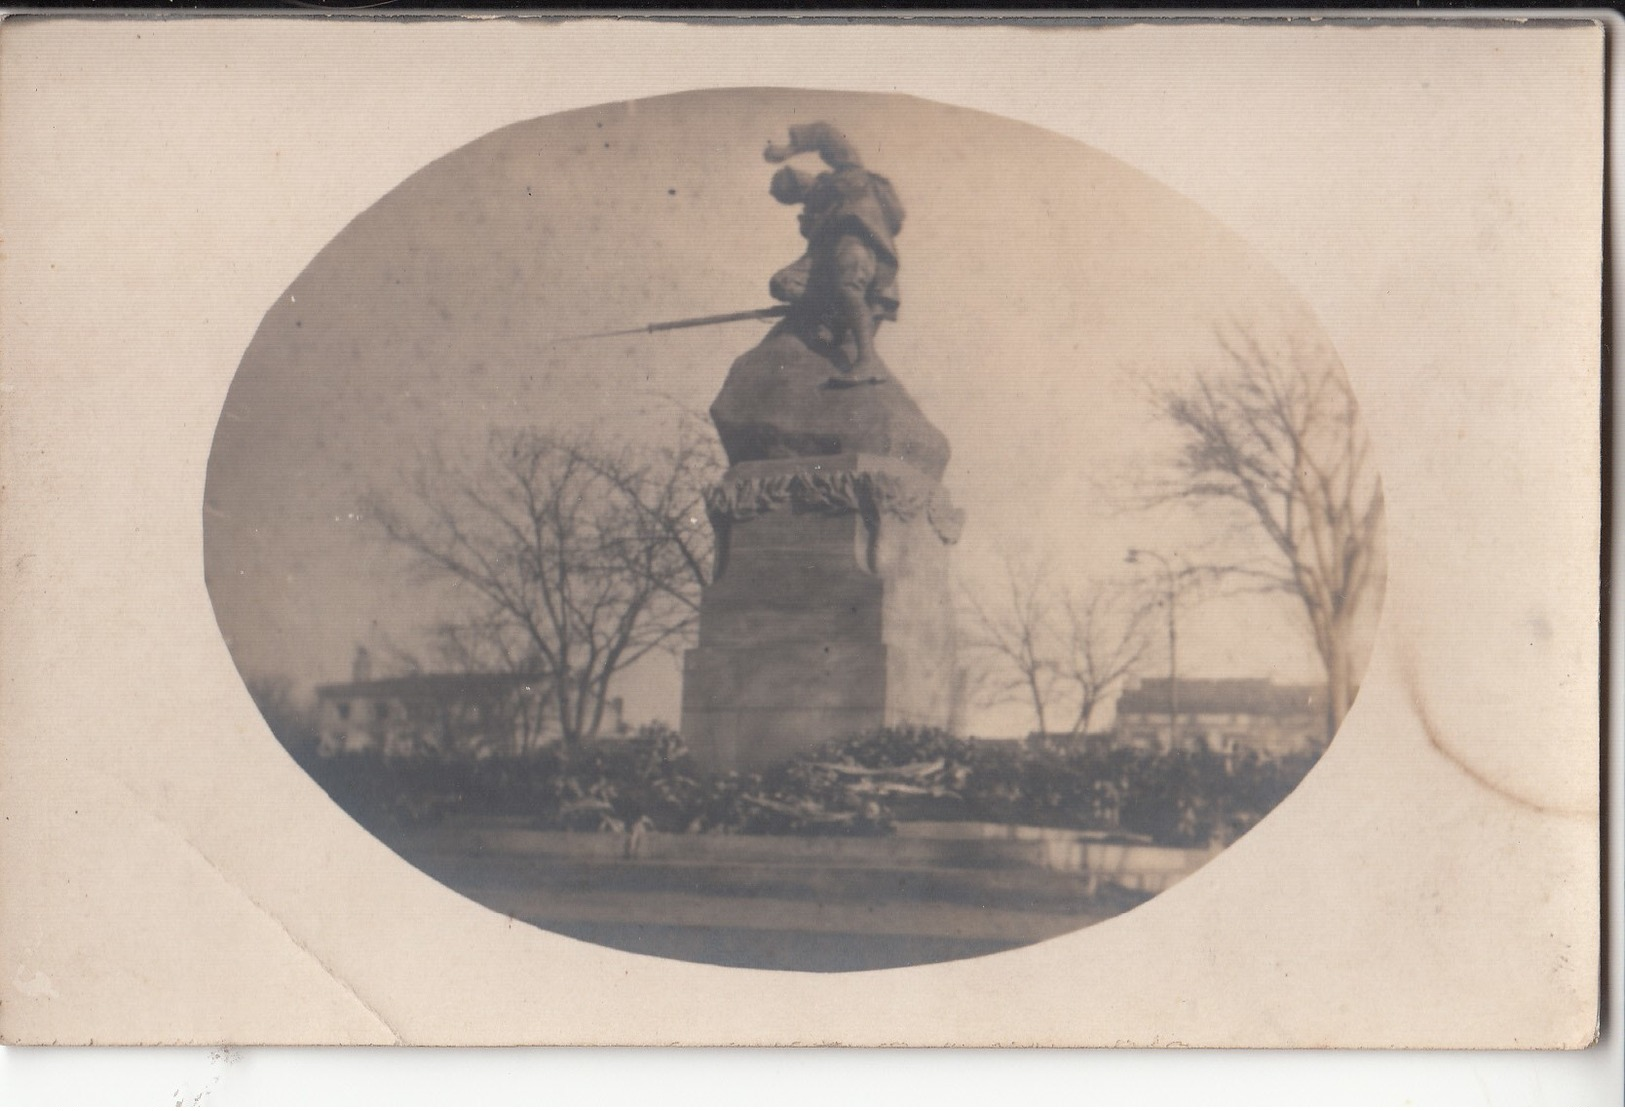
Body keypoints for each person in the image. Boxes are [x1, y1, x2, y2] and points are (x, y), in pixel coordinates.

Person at [762, 122, 905, 383]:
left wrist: (790, 147)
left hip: (857, 244)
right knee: (783, 283)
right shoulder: (817, 211)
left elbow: (826, 133)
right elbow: (811, 258)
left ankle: (867, 361)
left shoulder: (849, 175)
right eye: (793, 195)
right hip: (829, 256)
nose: (800, 193)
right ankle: (830, 325)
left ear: (802, 176)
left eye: (794, 185)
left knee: (847, 287)